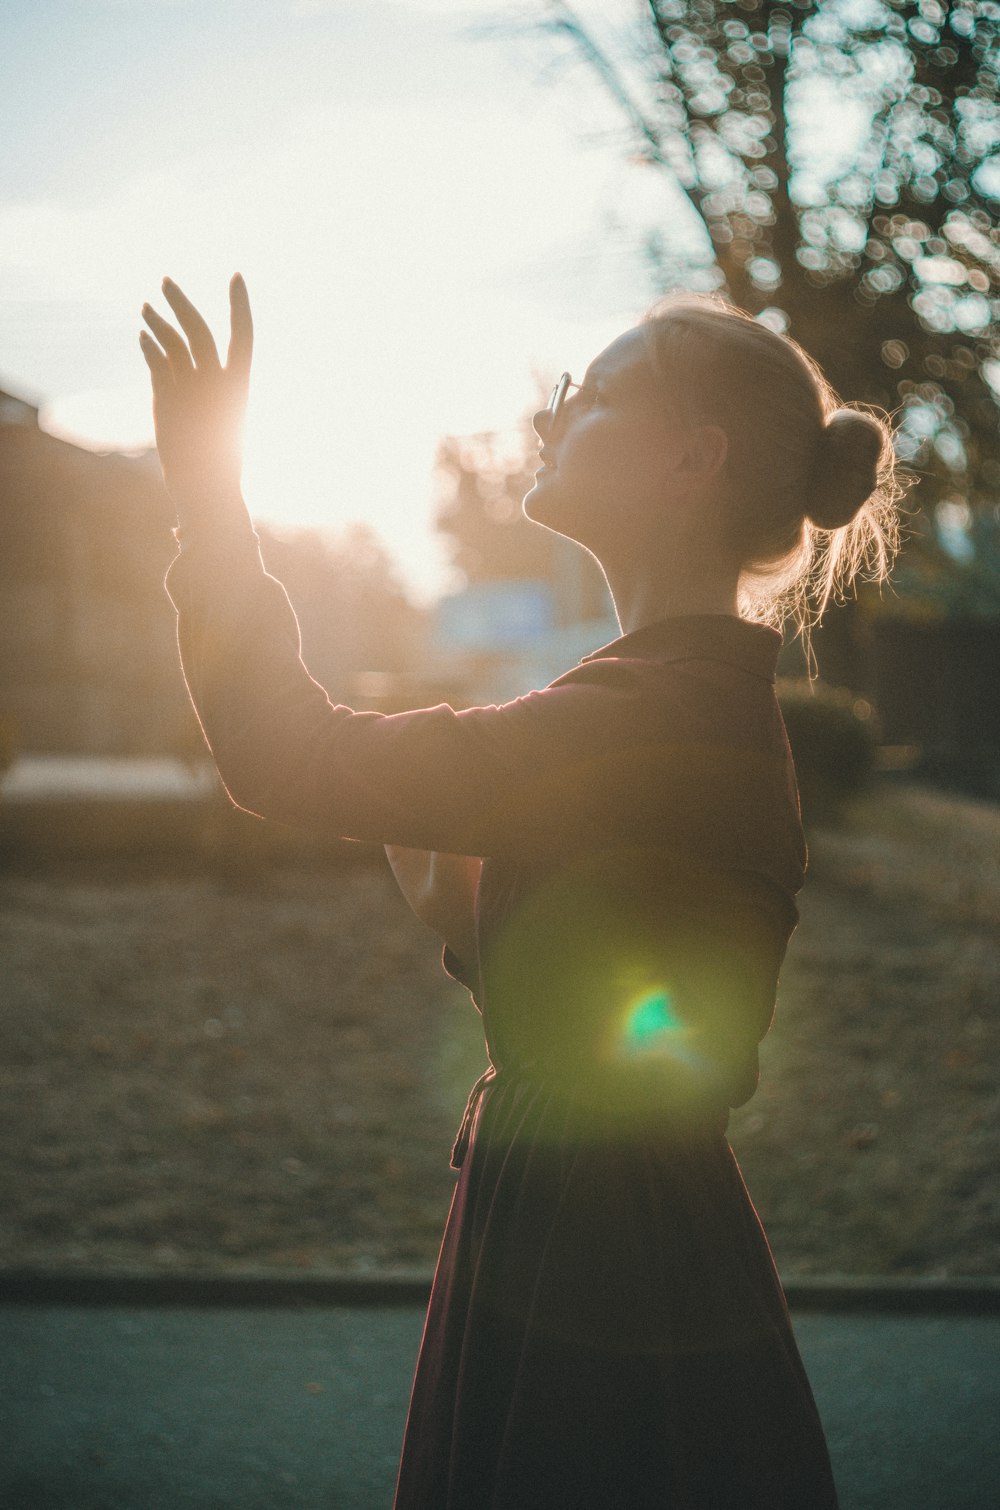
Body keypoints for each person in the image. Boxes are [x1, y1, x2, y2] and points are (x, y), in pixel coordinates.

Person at [140, 276, 900, 1508]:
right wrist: (476, 910)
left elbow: (282, 753)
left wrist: (205, 498)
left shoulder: (642, 714)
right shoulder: (672, 702)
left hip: (588, 1253)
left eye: (588, 394)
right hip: (620, 1221)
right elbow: (591, 966)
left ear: (688, 461)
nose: (553, 418)